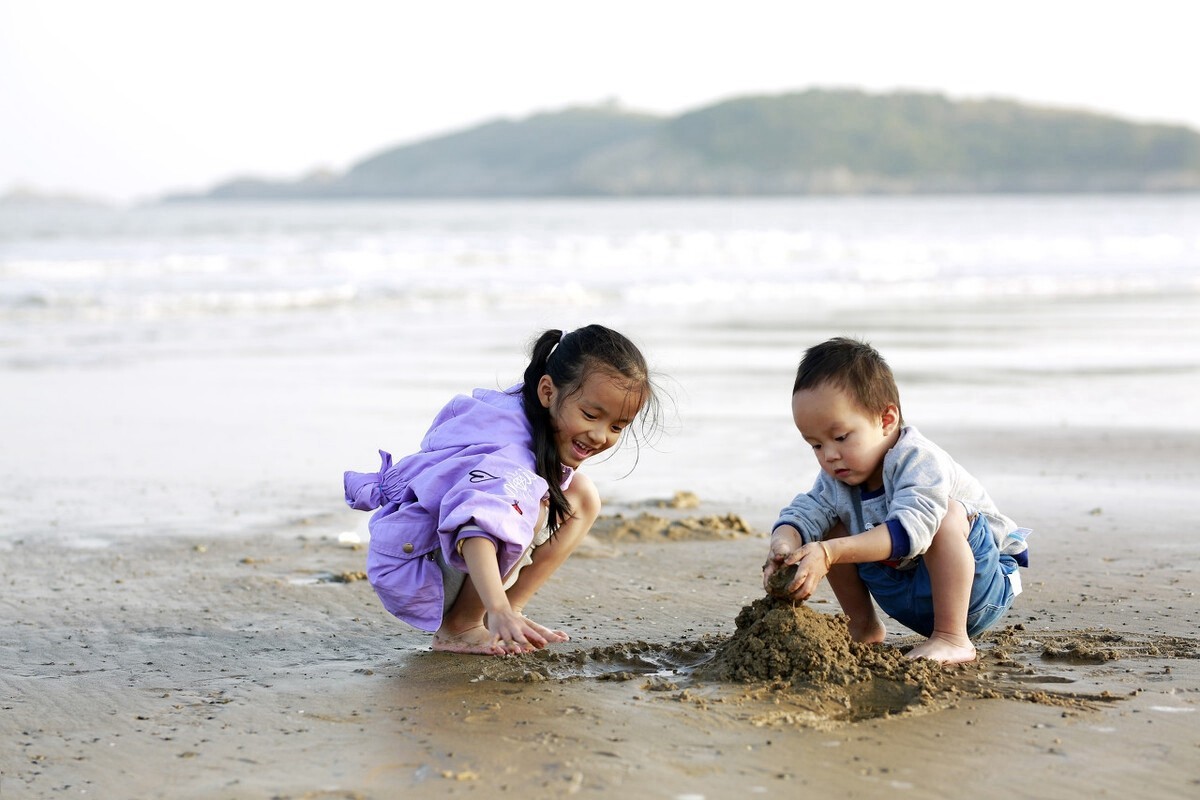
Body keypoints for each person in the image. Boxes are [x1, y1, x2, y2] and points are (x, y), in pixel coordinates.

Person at [344, 325, 660, 656]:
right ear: (548, 392)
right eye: (590, 415)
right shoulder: (511, 456)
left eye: (615, 427)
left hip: (426, 547)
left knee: (581, 496)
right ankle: (462, 627)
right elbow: (474, 526)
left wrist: (505, 610)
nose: (599, 436)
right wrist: (496, 609)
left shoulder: (530, 406)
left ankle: (511, 610)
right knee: (530, 505)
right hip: (414, 567)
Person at [762, 337, 1029, 664]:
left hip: (977, 589)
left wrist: (830, 554)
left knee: (945, 516)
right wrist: (784, 546)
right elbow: (804, 514)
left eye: (841, 437)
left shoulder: (919, 460)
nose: (829, 455)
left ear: (886, 420)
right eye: (815, 445)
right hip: (905, 591)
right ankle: (862, 628)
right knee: (828, 527)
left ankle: (952, 637)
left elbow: (911, 531)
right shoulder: (839, 478)